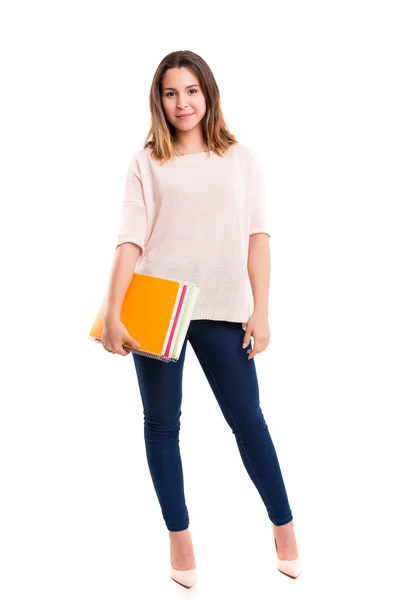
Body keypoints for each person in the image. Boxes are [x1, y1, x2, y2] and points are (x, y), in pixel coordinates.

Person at [101, 50, 301, 588]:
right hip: (159, 307)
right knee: (162, 426)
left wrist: (262, 310)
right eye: (170, 93)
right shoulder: (145, 160)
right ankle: (180, 539)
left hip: (222, 305)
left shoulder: (240, 158)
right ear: (158, 101)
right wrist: (113, 312)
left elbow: (258, 238)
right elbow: (129, 242)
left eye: (191, 90)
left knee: (249, 422)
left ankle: (284, 528)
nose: (182, 102)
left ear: (208, 93)